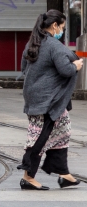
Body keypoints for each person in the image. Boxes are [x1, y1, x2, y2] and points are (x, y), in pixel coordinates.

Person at [18, 10, 83, 191]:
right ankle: (28, 176)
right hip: (47, 100)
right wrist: (75, 65)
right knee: (40, 136)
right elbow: (65, 70)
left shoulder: (33, 43)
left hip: (38, 97)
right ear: (55, 26)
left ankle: (63, 174)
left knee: (63, 129)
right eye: (62, 27)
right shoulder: (54, 46)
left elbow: (24, 67)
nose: (61, 31)